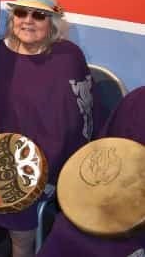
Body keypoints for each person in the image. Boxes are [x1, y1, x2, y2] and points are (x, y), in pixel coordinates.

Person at [0, 0, 99, 257]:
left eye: (39, 15)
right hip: (0, 146)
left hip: (49, 155)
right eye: (21, 13)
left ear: (52, 22)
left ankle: (22, 247)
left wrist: (47, 168)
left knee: (19, 195)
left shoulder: (68, 58)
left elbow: (77, 123)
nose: (28, 21)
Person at [38, 86, 145, 257]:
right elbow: (103, 152)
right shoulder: (138, 100)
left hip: (137, 230)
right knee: (66, 229)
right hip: (109, 201)